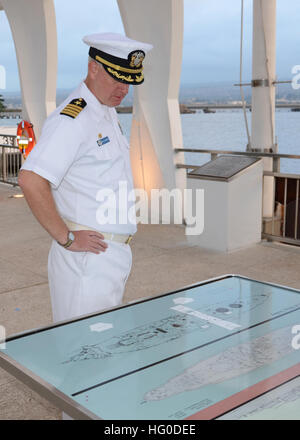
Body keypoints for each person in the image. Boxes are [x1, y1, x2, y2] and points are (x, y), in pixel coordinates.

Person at [18, 33, 153, 325]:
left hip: (108, 257)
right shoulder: (74, 119)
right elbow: (31, 179)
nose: (124, 89)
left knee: (97, 350)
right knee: (82, 352)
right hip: (87, 262)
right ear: (94, 68)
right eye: (118, 79)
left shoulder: (103, 112)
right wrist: (66, 239)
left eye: (129, 80)